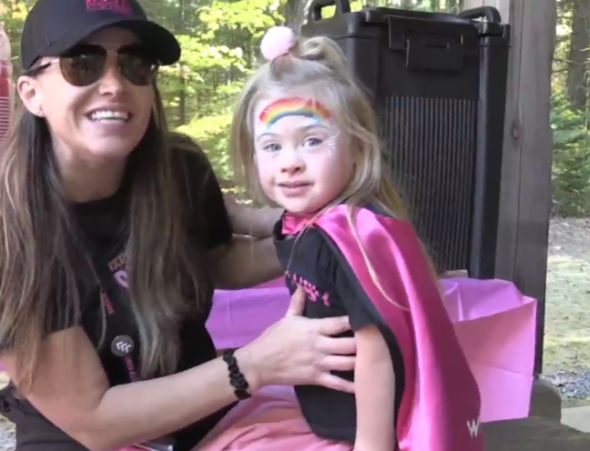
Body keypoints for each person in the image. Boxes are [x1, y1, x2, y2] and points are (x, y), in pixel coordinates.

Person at [0, 2, 359, 451]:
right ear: (31, 94)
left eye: (135, 64)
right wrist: (257, 364)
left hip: (210, 424)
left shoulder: (179, 168)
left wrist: (321, 234)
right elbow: (94, 420)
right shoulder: (5, 241)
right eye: (82, 64)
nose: (113, 84)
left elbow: (218, 261)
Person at [196, 27, 483, 451]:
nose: (290, 163)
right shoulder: (320, 223)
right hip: (328, 419)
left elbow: (376, 351)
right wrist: (231, 214)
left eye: (312, 141)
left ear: (355, 149)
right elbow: (272, 226)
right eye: (272, 147)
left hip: (362, 431)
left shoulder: (347, 238)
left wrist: (371, 444)